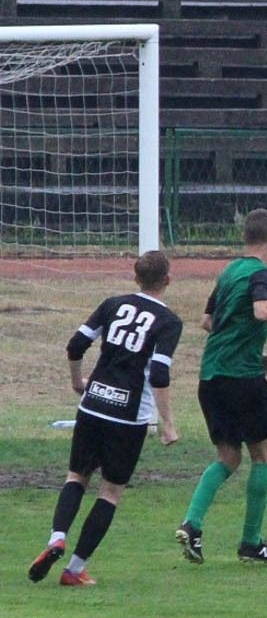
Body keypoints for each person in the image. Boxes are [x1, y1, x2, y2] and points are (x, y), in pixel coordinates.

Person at [28, 251, 182, 586]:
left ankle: (56, 536)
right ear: (167, 280)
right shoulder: (169, 322)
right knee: (110, 491)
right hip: (128, 417)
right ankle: (74, 569)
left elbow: (75, 345)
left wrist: (77, 382)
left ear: (135, 277)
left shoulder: (112, 304)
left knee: (76, 477)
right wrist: (167, 422)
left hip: (93, 404)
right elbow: (158, 373)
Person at [175, 208, 267, 565]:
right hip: (240, 379)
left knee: (228, 457)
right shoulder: (262, 273)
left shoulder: (228, 272)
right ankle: (251, 543)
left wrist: (252, 350)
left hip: (211, 377)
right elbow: (261, 310)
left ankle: (192, 523)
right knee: (264, 456)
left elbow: (209, 321)